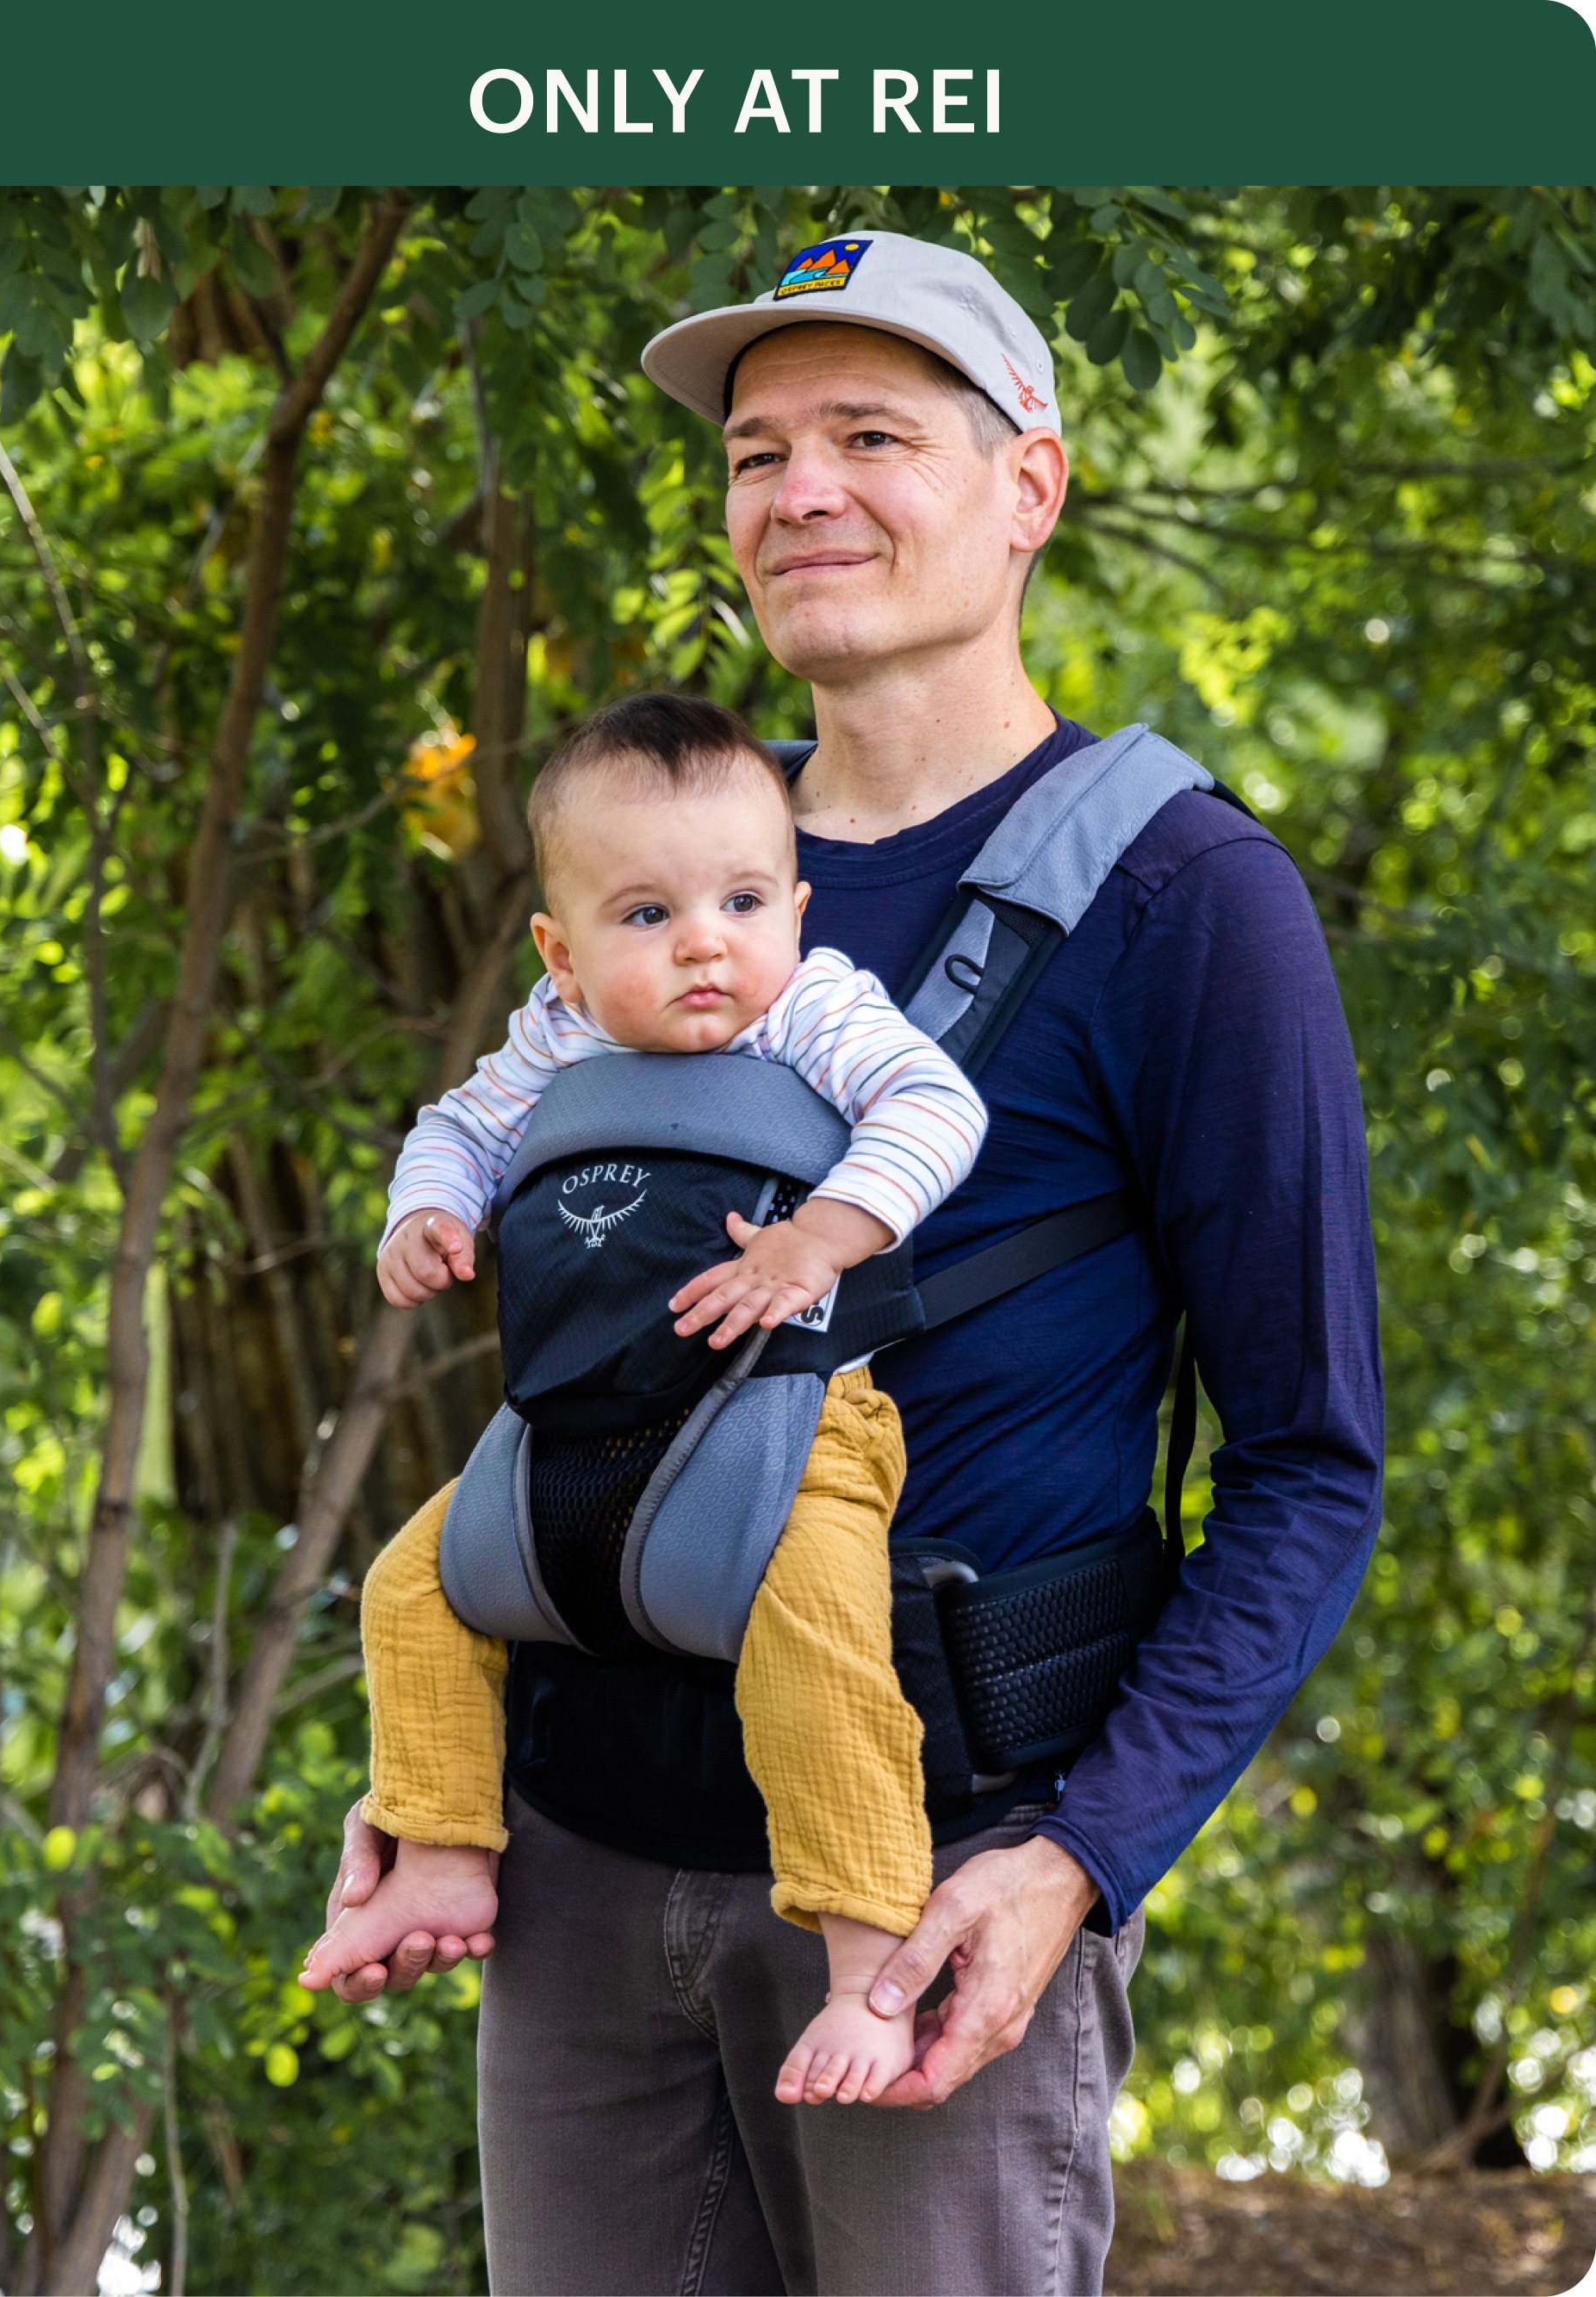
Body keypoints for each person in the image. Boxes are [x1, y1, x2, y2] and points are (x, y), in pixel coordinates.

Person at [320, 229, 1384, 2295]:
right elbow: (578, 1330)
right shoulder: (666, 861)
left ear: (1030, 488)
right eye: (755, 451)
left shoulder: (1182, 899)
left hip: (929, 1890)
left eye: (871, 434)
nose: (798, 489)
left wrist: (1076, 1865)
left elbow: (1310, 1466)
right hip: (577, 1867)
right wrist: (437, 1783)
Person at [300, 693, 991, 2108]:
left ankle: (868, 1966)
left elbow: (937, 1110)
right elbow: (457, 1128)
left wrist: (820, 1241)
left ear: (795, 905)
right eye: (646, 915)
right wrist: (424, 1217)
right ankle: (439, 1847)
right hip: (579, 1433)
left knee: (820, 1654)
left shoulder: (811, 1009)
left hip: (791, 1427)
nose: (702, 944)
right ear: (561, 950)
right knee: (410, 1589)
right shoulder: (558, 1039)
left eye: (743, 899)